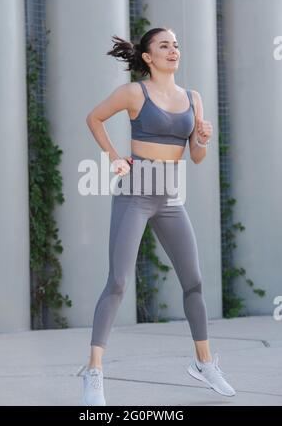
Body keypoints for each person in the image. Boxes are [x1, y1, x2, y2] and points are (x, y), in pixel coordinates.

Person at [79, 27, 235, 405]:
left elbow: (196, 158)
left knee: (194, 282)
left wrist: (202, 138)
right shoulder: (136, 92)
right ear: (148, 57)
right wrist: (115, 157)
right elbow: (94, 118)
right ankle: (94, 370)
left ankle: (203, 363)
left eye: (176, 45)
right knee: (117, 282)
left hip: (170, 200)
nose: (173, 50)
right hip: (135, 195)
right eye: (164, 45)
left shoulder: (193, 98)